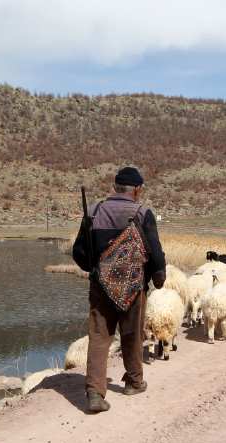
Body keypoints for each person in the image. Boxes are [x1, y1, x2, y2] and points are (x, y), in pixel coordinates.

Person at [72, 166, 166, 412]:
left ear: (115, 188)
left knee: (100, 337)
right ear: (137, 190)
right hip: (134, 287)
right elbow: (155, 251)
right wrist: (159, 278)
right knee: (132, 333)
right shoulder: (143, 213)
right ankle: (134, 382)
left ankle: (94, 392)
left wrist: (96, 269)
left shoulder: (93, 211)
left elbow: (79, 252)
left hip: (100, 287)